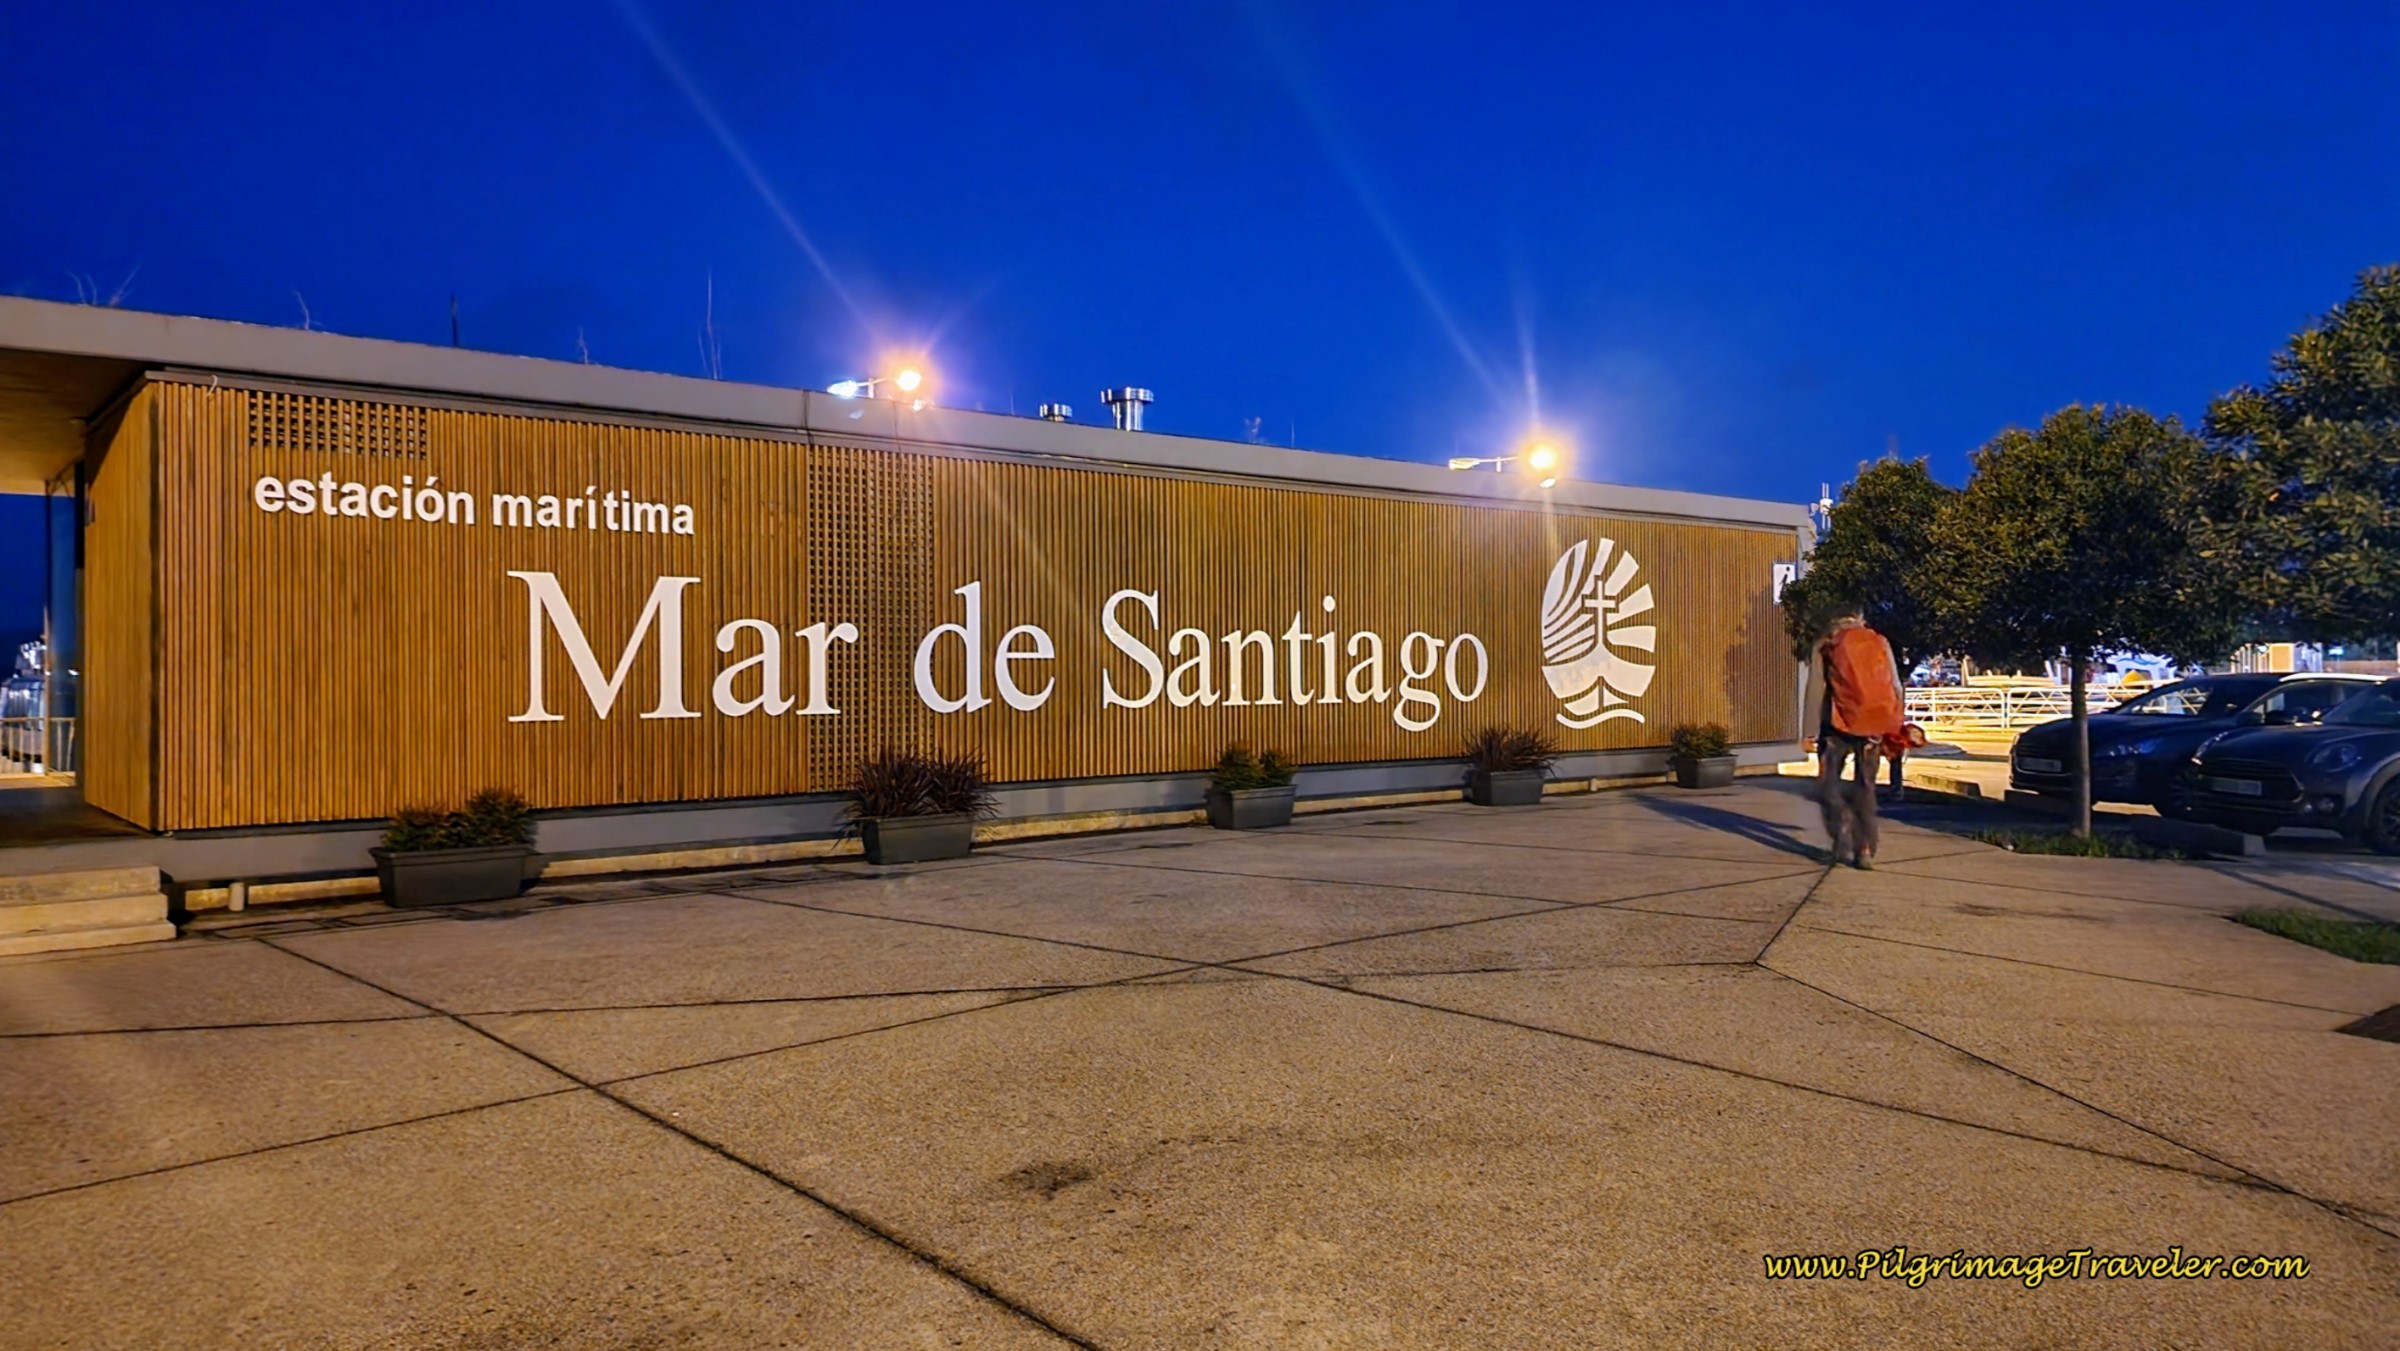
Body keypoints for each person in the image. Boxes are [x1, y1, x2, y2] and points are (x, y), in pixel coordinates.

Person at [1801, 611, 1906, 867]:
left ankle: (1841, 839)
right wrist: (1894, 724)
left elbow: (1817, 688)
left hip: (1835, 727)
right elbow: (1894, 685)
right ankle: (1865, 849)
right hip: (1874, 725)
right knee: (1866, 786)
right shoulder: (1879, 641)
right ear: (1859, 616)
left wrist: (1809, 731)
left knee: (1828, 786)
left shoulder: (1827, 644)